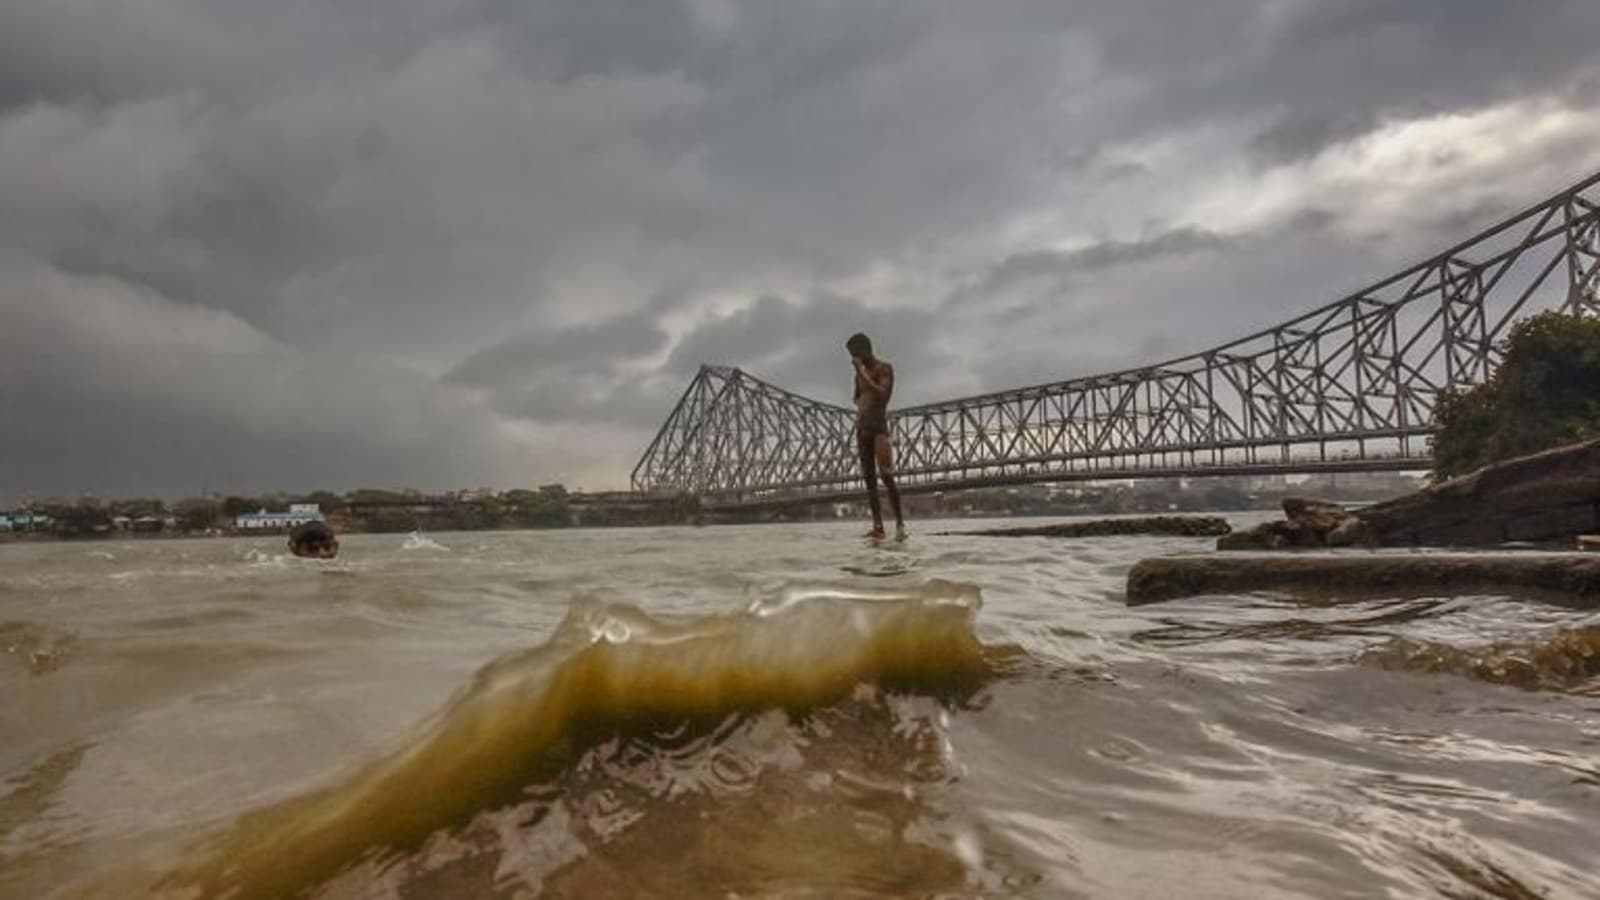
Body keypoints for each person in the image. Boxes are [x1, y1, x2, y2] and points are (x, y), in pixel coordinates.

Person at [846, 332, 905, 538]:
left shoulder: (884, 368)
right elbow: (858, 399)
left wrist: (861, 373)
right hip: (862, 429)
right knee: (869, 479)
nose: (853, 358)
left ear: (864, 350)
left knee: (886, 475)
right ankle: (878, 526)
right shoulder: (858, 375)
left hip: (879, 428)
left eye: (855, 353)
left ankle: (899, 525)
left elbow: (882, 394)